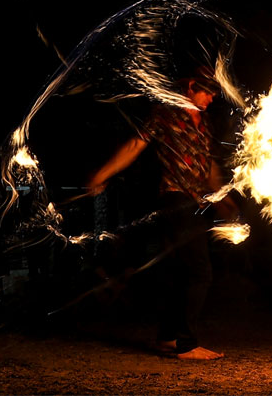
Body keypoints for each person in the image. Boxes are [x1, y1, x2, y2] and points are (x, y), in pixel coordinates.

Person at [88, 66, 235, 360]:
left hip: (193, 202)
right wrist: (101, 175)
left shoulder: (204, 123)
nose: (211, 98)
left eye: (215, 93)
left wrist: (224, 199)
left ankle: (168, 338)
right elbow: (134, 146)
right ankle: (186, 343)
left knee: (180, 272)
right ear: (191, 86)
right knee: (199, 270)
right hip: (173, 199)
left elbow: (208, 167)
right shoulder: (165, 114)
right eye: (207, 92)